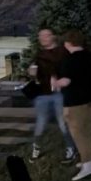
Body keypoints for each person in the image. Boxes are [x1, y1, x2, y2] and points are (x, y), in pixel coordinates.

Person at [52, 30, 91, 181]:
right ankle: (88, 158)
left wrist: (54, 82)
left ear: (68, 43)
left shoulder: (69, 61)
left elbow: (65, 82)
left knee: (78, 133)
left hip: (75, 101)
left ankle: (88, 164)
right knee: (88, 129)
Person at [29, 28, 75, 163]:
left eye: (46, 35)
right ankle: (36, 147)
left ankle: (70, 149)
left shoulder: (63, 52)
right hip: (42, 94)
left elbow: (70, 70)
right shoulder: (39, 54)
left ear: (53, 37)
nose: (42, 38)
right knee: (41, 123)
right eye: (40, 36)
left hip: (59, 94)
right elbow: (34, 71)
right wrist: (31, 71)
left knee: (63, 122)